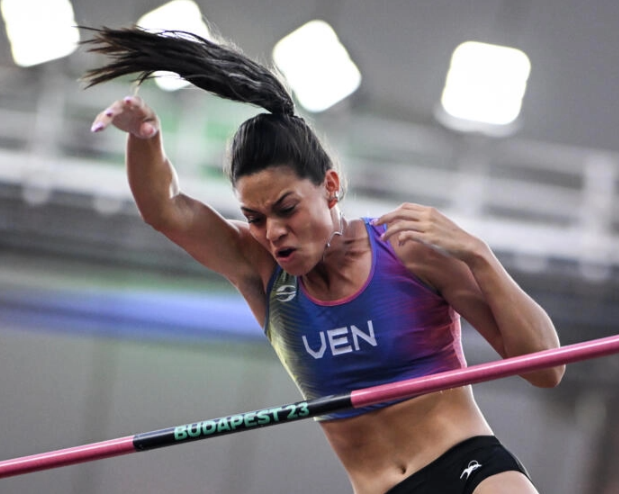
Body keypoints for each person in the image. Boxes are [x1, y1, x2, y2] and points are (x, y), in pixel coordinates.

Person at [84, 27, 564, 494]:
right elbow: (166, 208)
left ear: (331, 187)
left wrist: (480, 256)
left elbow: (547, 369)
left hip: (469, 467)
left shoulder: (408, 249)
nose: (273, 232)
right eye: (254, 218)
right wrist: (145, 136)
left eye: (287, 209)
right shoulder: (260, 271)